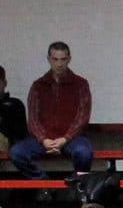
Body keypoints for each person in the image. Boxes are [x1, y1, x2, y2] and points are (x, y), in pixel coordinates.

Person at [12, 41, 96, 178]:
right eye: (55, 59)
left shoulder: (81, 84)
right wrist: (44, 139)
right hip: (43, 139)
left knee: (84, 153)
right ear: (49, 59)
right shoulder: (38, 86)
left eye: (63, 59)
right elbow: (33, 119)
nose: (59, 64)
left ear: (69, 59)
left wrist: (65, 138)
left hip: (73, 138)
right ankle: (43, 182)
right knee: (16, 153)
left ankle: (81, 184)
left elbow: (83, 116)